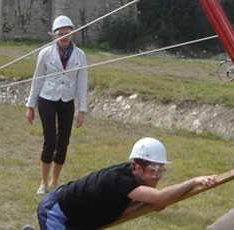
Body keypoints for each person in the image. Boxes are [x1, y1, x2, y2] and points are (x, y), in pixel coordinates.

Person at [34, 137, 217, 229]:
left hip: (78, 218)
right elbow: (160, 198)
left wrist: (147, 203)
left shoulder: (131, 184)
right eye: (155, 171)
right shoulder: (120, 180)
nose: (158, 177)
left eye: (162, 170)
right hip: (56, 211)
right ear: (138, 167)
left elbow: (121, 211)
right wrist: (193, 181)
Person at [26, 15, 88, 195]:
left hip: (67, 100)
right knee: (50, 140)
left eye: (67, 33)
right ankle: (43, 182)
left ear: (72, 34)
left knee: (63, 142)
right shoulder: (45, 53)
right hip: (47, 99)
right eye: (60, 34)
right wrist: (30, 106)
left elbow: (82, 82)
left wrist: (81, 110)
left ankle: (54, 181)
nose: (64, 37)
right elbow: (37, 80)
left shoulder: (80, 55)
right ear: (54, 35)